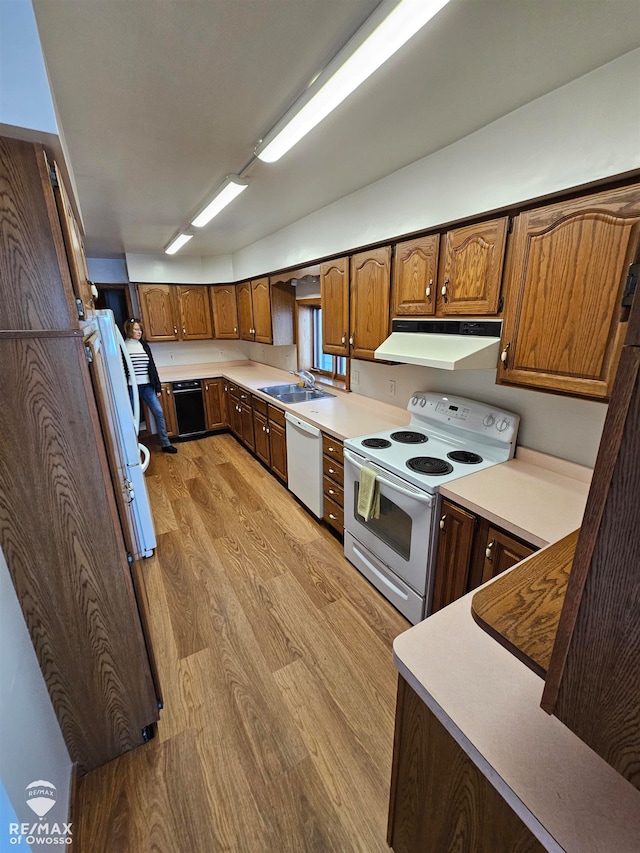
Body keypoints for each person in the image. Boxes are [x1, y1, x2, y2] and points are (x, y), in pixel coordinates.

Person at [123, 319, 177, 453]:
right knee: (132, 417)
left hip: (147, 386)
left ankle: (165, 443)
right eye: (136, 329)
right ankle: (133, 448)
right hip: (131, 388)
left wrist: (157, 386)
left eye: (140, 329)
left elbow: (152, 367)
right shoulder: (122, 346)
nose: (139, 332)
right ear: (129, 330)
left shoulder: (144, 346)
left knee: (158, 412)